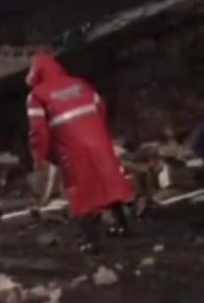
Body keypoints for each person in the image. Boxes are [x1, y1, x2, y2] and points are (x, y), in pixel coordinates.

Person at [26, 52, 134, 252]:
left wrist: (41, 157)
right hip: (98, 139)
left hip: (71, 146)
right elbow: (100, 107)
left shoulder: (37, 95)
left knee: (80, 190)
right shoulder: (80, 84)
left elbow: (38, 132)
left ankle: (91, 240)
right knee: (108, 181)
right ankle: (123, 225)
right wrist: (98, 131)